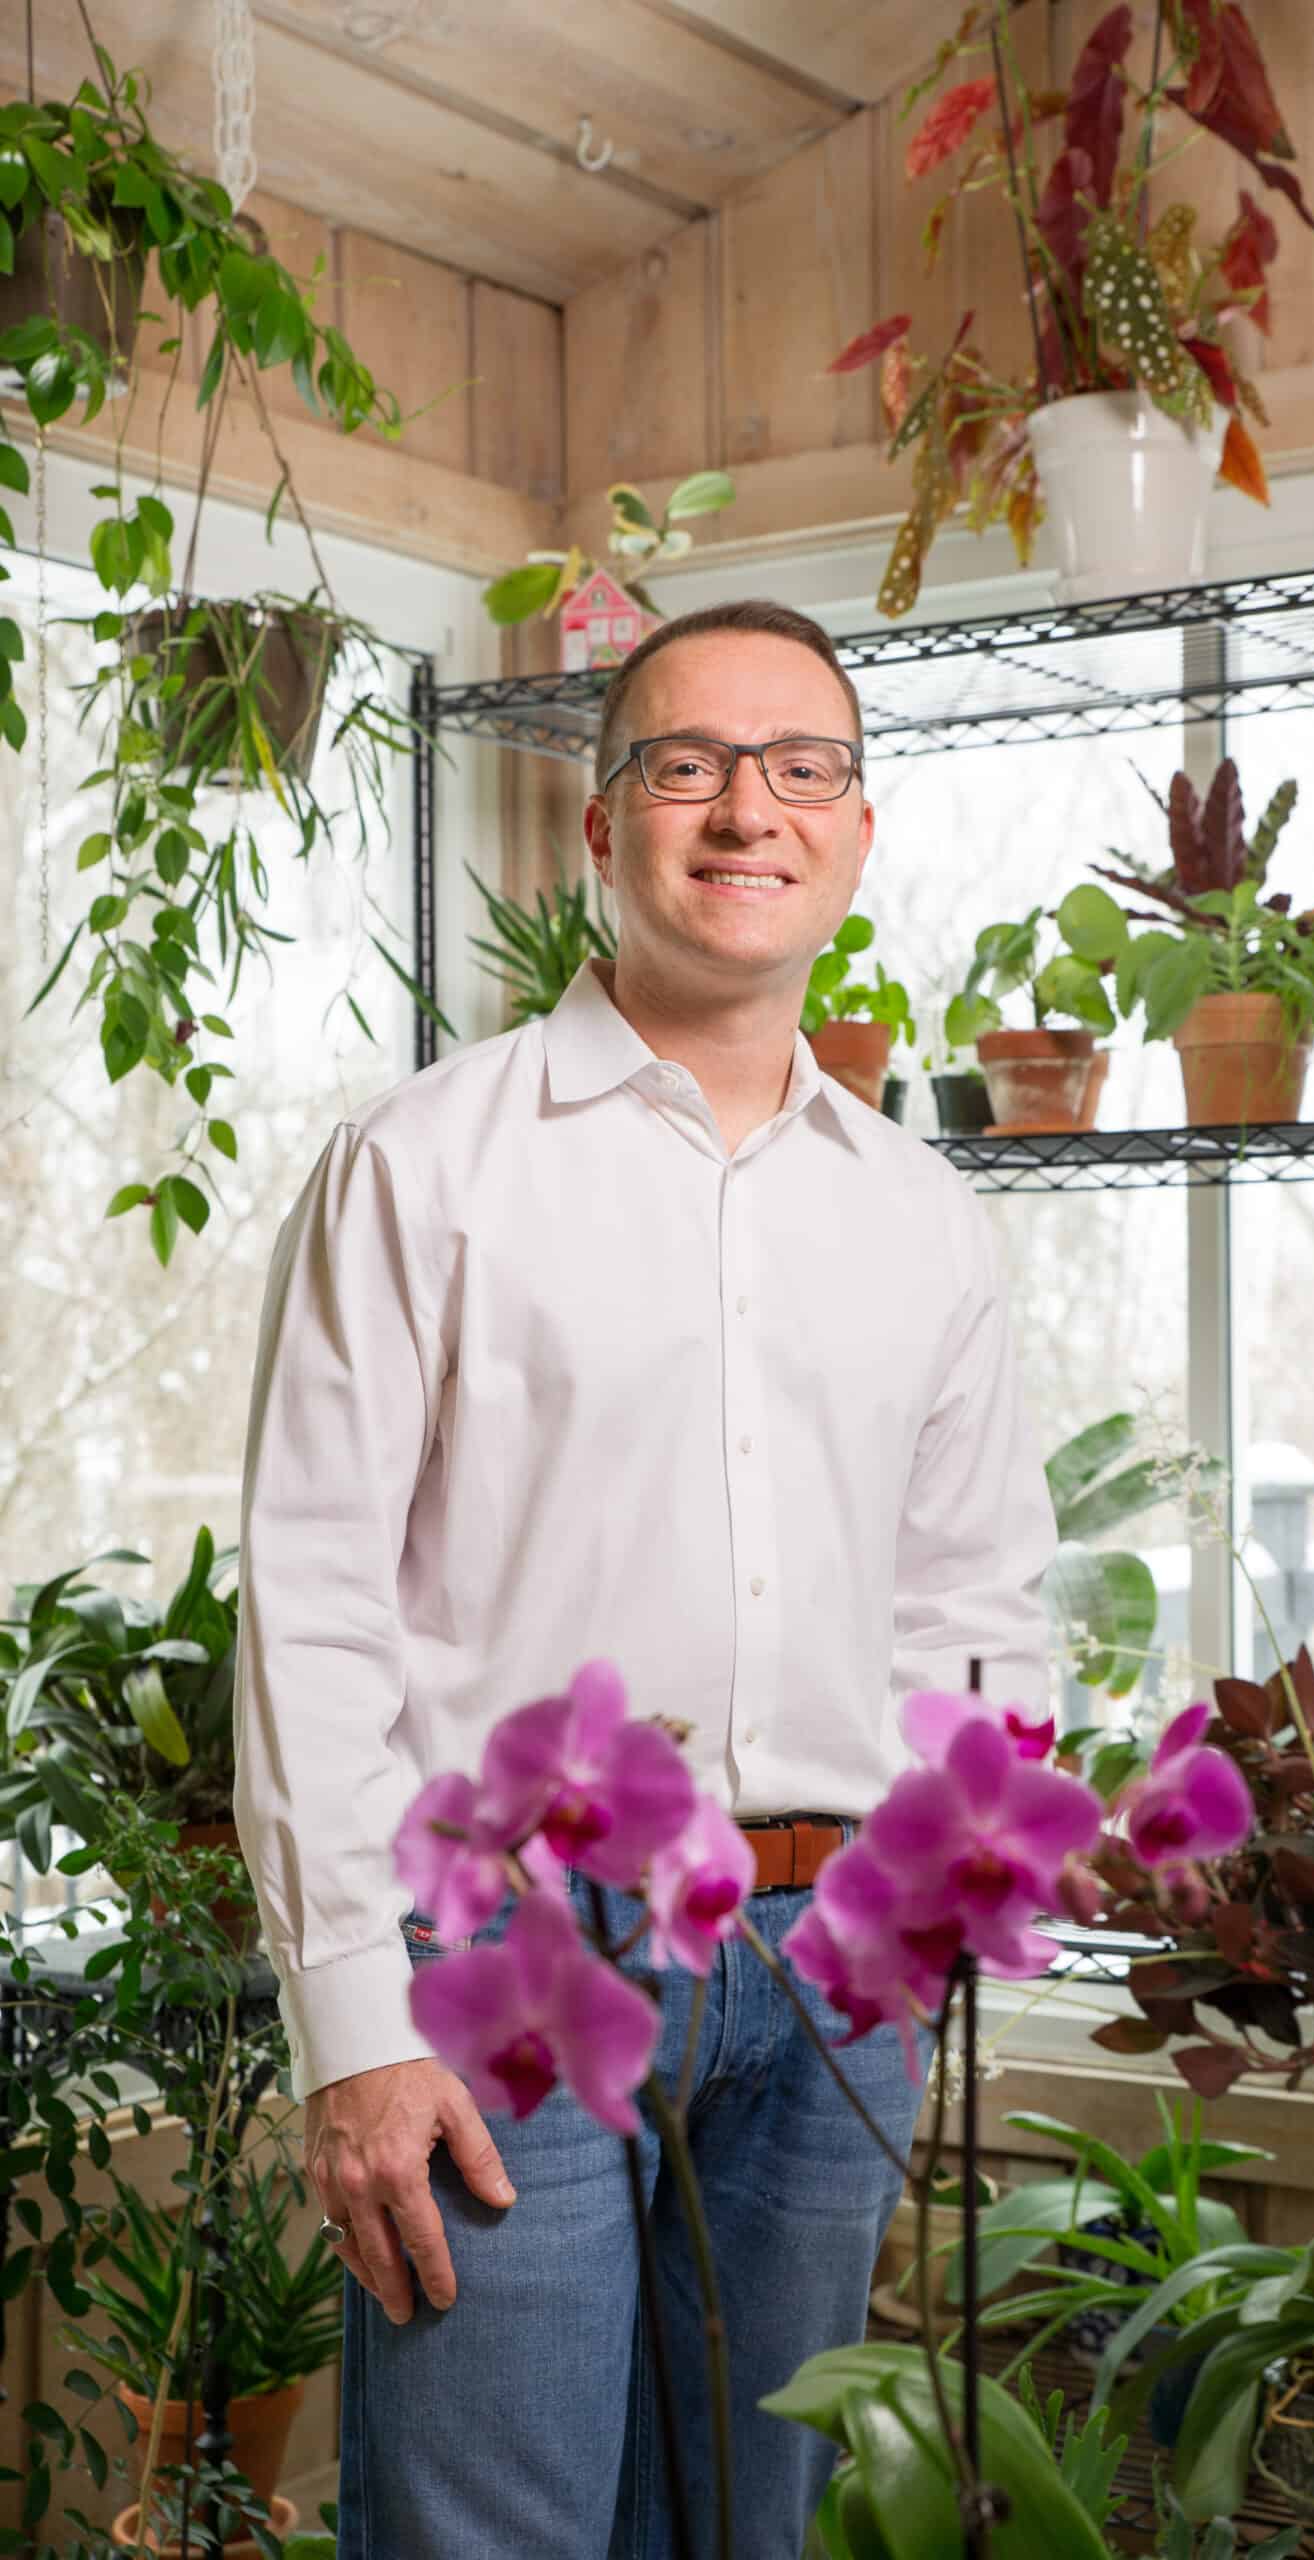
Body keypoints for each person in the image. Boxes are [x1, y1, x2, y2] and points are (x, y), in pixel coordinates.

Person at [233, 598, 1056, 2558]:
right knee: (486, 2534)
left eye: (800, 768)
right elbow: (317, 1596)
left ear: (857, 834)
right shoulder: (421, 1164)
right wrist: (354, 2022)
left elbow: (975, 1594)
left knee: (744, 2529)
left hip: (829, 1963)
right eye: (685, 762)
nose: (743, 808)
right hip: (503, 1962)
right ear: (601, 830)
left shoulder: (925, 1217)